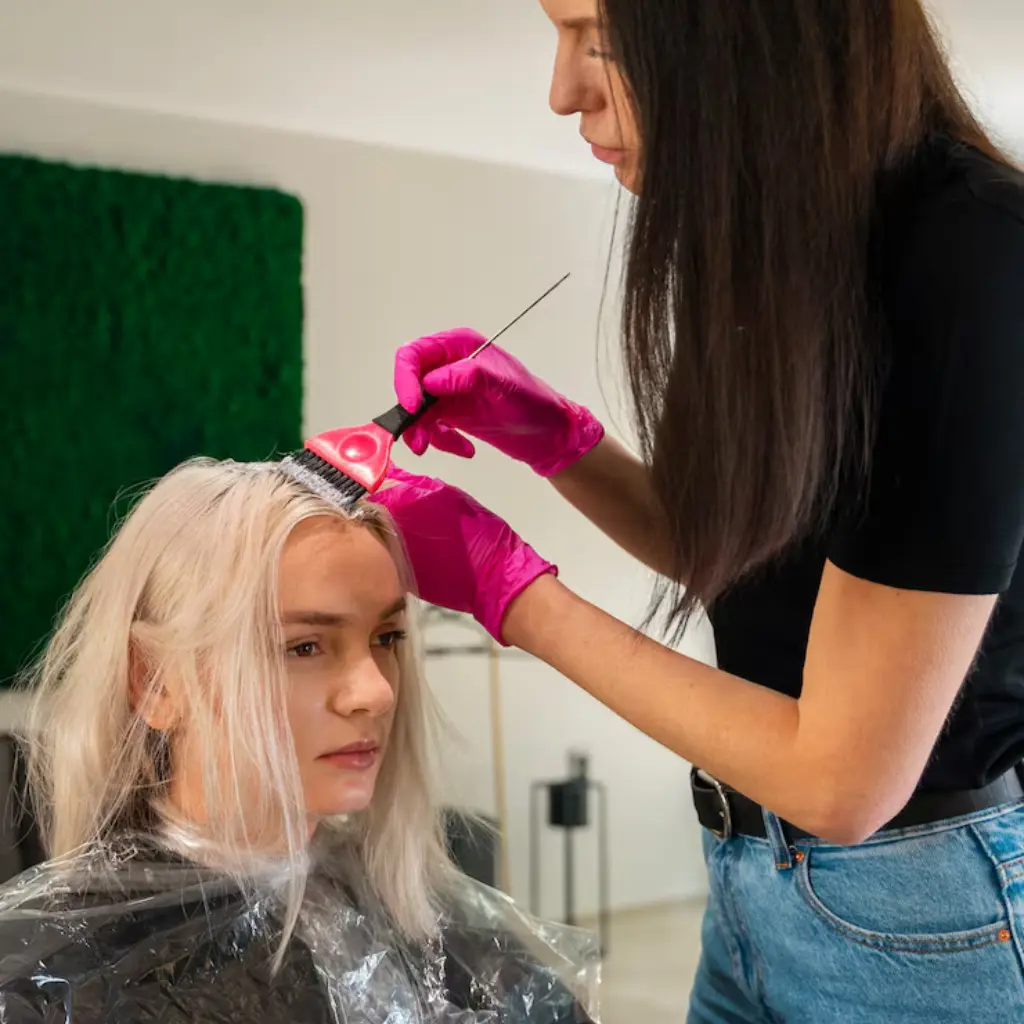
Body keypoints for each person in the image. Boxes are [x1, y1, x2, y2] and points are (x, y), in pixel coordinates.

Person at [374, 1, 1024, 1020]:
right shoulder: (778, 256)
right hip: (746, 891)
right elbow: (736, 555)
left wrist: (513, 593)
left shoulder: (971, 258)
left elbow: (840, 777)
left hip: (922, 920)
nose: (561, 92)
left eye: (600, 38)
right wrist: (558, 440)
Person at [0, 458, 598, 1024]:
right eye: (304, 647)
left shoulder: (431, 925)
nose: (376, 693)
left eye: (387, 638)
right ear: (155, 683)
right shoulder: (59, 980)